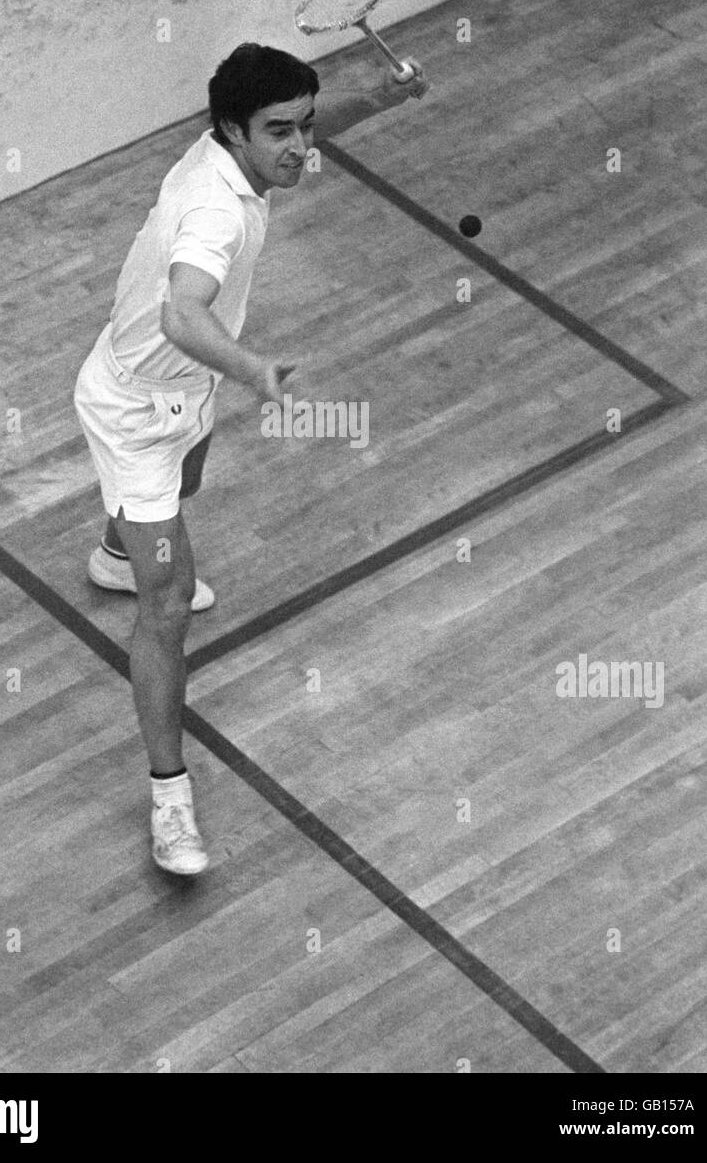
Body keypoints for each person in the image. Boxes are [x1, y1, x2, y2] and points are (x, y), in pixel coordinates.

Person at [74, 42, 428, 874]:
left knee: (187, 483)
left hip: (182, 394)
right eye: (281, 132)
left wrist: (379, 96)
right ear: (232, 131)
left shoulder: (233, 157)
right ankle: (169, 800)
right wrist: (251, 370)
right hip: (135, 417)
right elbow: (181, 314)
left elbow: (302, 131)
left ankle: (114, 551)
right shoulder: (215, 213)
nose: (300, 147)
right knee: (164, 613)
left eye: (305, 126)